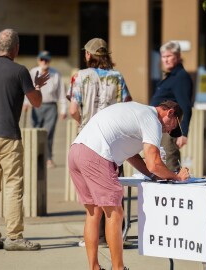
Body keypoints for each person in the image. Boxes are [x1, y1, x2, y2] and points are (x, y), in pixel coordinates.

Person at [68, 100, 190, 270]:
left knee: (93, 212)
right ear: (169, 113)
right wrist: (177, 177)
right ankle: (118, 268)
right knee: (115, 213)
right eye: (172, 126)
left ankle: (94, 267)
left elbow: (132, 157)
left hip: (76, 151)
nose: (169, 131)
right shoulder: (152, 119)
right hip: (97, 155)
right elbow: (154, 163)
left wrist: (154, 176)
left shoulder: (136, 110)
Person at [0, 28, 49, 251]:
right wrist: (37, 86)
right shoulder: (20, 71)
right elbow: (36, 102)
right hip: (8, 136)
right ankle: (14, 237)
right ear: (16, 48)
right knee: (13, 186)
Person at [68, 37, 131, 248]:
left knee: (91, 200)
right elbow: (127, 106)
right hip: (113, 140)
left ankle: (97, 238)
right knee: (112, 190)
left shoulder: (80, 76)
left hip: (87, 139)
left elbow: (73, 110)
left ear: (88, 55)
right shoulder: (117, 77)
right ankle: (114, 236)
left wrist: (82, 123)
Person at [150, 41, 193, 172]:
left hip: (170, 130)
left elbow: (185, 106)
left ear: (178, 56)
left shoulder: (180, 77)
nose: (166, 59)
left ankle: (174, 190)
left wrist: (183, 133)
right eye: (163, 56)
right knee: (160, 164)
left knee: (170, 164)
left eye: (169, 56)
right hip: (160, 127)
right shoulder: (169, 77)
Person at [23, 50, 67, 169]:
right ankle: (36, 157)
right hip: (36, 106)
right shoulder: (33, 72)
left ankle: (48, 158)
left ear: (49, 61)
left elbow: (61, 93)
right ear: (38, 60)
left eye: (46, 60)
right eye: (42, 59)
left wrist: (63, 109)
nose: (44, 62)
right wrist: (26, 102)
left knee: (48, 134)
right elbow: (29, 89)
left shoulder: (56, 74)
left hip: (51, 106)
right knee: (36, 132)